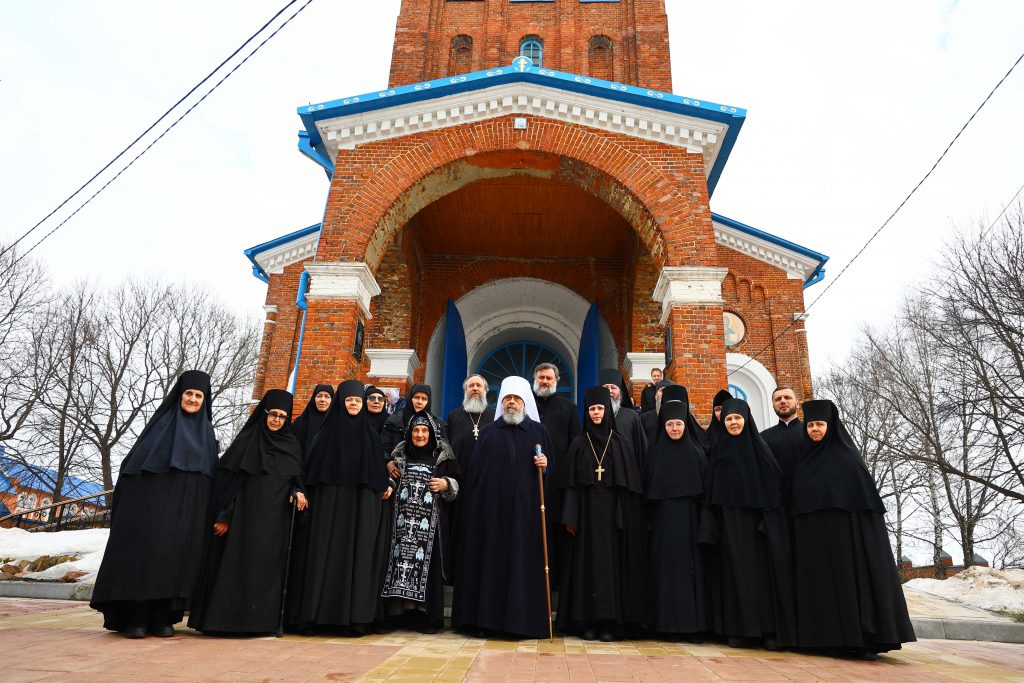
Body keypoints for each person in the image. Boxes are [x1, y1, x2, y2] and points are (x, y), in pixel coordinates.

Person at [91, 370, 219, 639]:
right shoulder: (160, 426)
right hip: (152, 511)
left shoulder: (207, 434)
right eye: (189, 394)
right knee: (146, 559)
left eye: (199, 396)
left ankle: (163, 618)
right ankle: (136, 618)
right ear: (179, 395)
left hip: (188, 515)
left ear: (205, 401)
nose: (193, 399)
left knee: (177, 562)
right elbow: (133, 470)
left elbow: (211, 477)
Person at [791, 400, 915, 659]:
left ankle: (860, 640)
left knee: (851, 587)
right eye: (810, 425)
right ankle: (826, 639)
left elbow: (863, 507)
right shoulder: (802, 462)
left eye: (819, 424)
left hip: (847, 541)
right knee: (820, 587)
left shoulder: (847, 460)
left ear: (831, 426)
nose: (814, 430)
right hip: (814, 541)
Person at [188, 389, 307, 635]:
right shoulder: (246, 442)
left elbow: (296, 479)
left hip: (274, 523)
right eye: (273, 414)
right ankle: (224, 623)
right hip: (241, 521)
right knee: (233, 568)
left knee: (265, 572)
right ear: (264, 414)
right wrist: (225, 516)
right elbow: (230, 485)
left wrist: (298, 490)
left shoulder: (292, 446)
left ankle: (259, 624)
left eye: (282, 416)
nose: (277, 420)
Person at [287, 380, 393, 635]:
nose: (353, 404)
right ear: (341, 403)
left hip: (359, 510)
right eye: (349, 401)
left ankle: (353, 619)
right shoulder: (325, 434)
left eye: (357, 401)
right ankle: (314, 618)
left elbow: (377, 474)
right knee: (321, 557)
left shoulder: (370, 435)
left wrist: (385, 484)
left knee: (356, 559)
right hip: (327, 508)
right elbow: (312, 471)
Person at [452, 376, 553, 639]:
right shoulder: (488, 433)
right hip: (493, 515)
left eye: (517, 399)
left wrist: (545, 466)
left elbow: (551, 476)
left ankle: (522, 623)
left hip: (526, 516)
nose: (512, 403)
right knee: (491, 566)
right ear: (501, 402)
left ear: (524, 403)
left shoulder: (539, 433)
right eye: (508, 398)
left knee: (522, 565)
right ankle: (488, 622)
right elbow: (476, 477)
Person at [702, 398, 796, 649]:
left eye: (737, 418)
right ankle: (738, 631)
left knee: (762, 579)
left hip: (759, 531)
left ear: (747, 420)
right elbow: (711, 497)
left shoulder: (762, 453)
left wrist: (767, 523)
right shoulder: (718, 456)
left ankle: (768, 631)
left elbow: (774, 493)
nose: (733, 423)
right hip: (730, 529)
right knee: (733, 578)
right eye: (729, 419)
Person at [557, 386, 647, 642]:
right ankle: (588, 622)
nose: (596, 413)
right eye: (592, 409)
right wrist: (570, 517)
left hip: (613, 519)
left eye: (600, 408)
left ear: (607, 410)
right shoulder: (578, 444)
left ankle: (611, 623)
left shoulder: (620, 443)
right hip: (585, 518)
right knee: (586, 568)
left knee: (611, 568)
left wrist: (623, 515)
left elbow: (629, 488)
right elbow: (571, 486)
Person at [380, 412, 461, 633]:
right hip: (401, 524)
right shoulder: (399, 456)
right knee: (398, 566)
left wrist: (446, 483)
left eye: (424, 430)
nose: (420, 434)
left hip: (430, 526)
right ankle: (397, 615)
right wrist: (388, 483)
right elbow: (391, 479)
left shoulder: (443, 458)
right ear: (409, 434)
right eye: (416, 430)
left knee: (427, 568)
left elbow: (458, 481)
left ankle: (425, 617)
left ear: (432, 434)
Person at [644, 400, 708, 641]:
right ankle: (665, 626)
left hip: (691, 522)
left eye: (678, 424)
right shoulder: (654, 455)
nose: (674, 428)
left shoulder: (698, 453)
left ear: (685, 425)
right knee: (664, 574)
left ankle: (693, 627)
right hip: (662, 524)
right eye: (669, 424)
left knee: (691, 573)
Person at [532, 363, 580, 588]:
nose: (544, 381)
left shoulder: (568, 408)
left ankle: (557, 582)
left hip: (558, 482)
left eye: (548, 378)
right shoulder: (525, 405)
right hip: (530, 481)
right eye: (541, 377)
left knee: (556, 531)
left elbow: (574, 445)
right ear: (534, 379)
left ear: (556, 381)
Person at [760, 387, 802, 507]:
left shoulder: (810, 432)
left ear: (797, 404)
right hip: (777, 502)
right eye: (778, 399)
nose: (783, 401)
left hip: (808, 499)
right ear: (773, 406)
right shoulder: (763, 437)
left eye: (787, 397)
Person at [445, 374, 496, 475]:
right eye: (471, 385)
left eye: (478, 385)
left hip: (487, 475)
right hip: (458, 476)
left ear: (485, 390)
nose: (475, 388)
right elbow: (446, 447)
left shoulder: (495, 416)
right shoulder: (453, 416)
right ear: (465, 390)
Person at [382, 384, 446, 461]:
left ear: (428, 401)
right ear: (410, 398)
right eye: (416, 397)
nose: (419, 402)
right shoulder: (393, 422)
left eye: (424, 399)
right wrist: (388, 462)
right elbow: (383, 448)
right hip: (397, 466)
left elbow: (445, 452)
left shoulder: (438, 424)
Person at [599, 368, 647, 469]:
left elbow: (642, 450)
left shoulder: (631, 416)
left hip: (626, 470)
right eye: (605, 387)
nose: (609, 391)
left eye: (613, 388)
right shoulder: (594, 415)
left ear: (620, 392)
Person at [292, 384, 334, 456]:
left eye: (327, 396)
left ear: (332, 400)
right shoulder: (300, 422)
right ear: (313, 398)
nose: (322, 400)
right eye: (319, 396)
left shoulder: (335, 422)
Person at [640, 379, 677, 443]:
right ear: (656, 394)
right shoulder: (644, 418)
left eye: (669, 390)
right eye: (662, 390)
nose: (665, 393)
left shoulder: (685, 416)